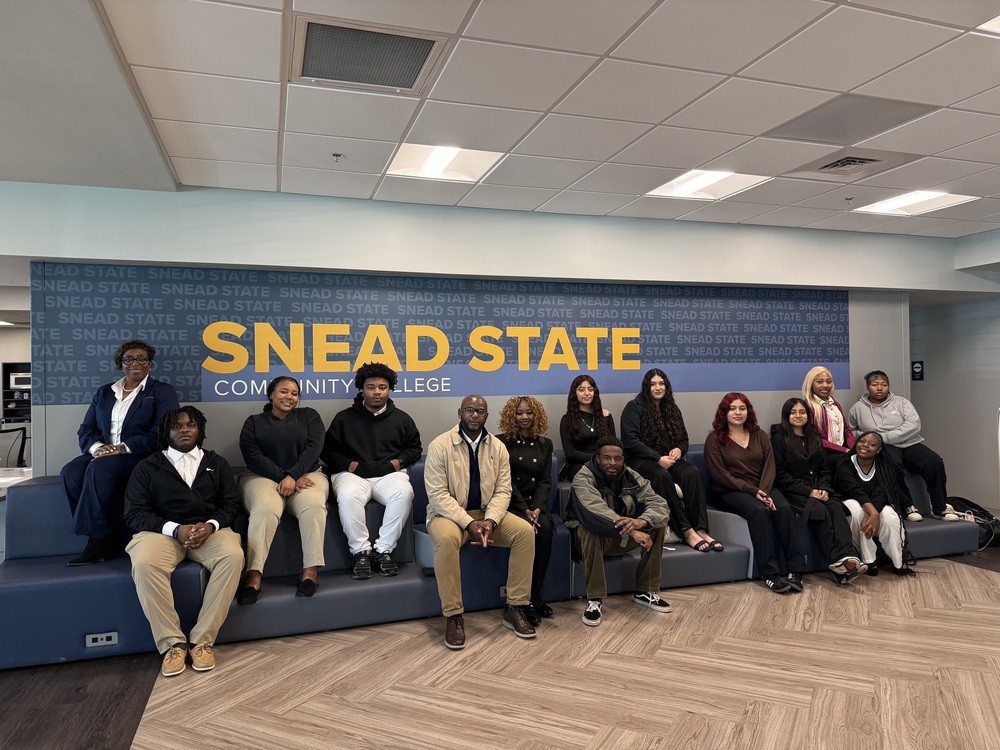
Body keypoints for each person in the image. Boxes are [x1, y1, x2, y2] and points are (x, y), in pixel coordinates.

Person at [123, 406, 244, 677]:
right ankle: (173, 645)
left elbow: (230, 504)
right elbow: (134, 513)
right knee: (144, 563)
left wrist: (211, 525)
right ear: (167, 431)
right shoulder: (147, 466)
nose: (184, 429)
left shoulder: (217, 462)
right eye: (177, 426)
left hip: (209, 532)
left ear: (199, 429)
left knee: (233, 556)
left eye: (190, 425)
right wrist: (174, 529)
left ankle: (201, 641)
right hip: (161, 534)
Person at [423, 394, 536, 650]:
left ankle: (515, 607)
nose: (475, 415)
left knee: (525, 532)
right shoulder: (440, 445)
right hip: (448, 515)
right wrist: (467, 523)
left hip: (487, 514)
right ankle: (453, 616)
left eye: (481, 411)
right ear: (460, 412)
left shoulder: (497, 447)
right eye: (470, 410)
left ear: (486, 416)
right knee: (446, 539)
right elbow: (437, 495)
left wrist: (491, 521)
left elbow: (503, 491)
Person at [60, 340, 179, 566]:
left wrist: (120, 448)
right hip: (104, 455)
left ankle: (97, 540)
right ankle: (108, 534)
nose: (135, 363)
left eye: (141, 358)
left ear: (150, 364)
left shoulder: (162, 391)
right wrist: (98, 449)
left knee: (99, 468)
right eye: (128, 359)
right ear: (120, 364)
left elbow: (162, 432)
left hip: (139, 455)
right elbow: (86, 429)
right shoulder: (105, 392)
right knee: (71, 472)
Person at [323, 362, 422, 579]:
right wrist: (352, 466)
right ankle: (361, 553)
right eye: (371, 387)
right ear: (362, 388)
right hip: (351, 476)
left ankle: (383, 551)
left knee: (404, 493)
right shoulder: (344, 418)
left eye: (382, 387)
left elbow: (414, 449)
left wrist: (394, 464)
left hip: (389, 475)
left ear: (389, 389)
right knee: (348, 496)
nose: (376, 392)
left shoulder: (402, 419)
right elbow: (327, 452)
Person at [237, 376, 329, 604]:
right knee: (266, 508)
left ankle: (310, 573)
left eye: (295, 393)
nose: (290, 397)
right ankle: (254, 576)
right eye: (284, 391)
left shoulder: (309, 416)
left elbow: (314, 448)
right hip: (262, 476)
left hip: (307, 474)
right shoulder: (254, 422)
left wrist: (294, 476)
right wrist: (284, 477)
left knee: (314, 505)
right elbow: (252, 455)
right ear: (271, 394)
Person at [705, 392, 807, 594]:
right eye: (732, 408)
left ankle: (795, 570)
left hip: (763, 487)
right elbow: (720, 474)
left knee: (785, 509)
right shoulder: (714, 439)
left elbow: (770, 467)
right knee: (759, 512)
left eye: (742, 408)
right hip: (730, 490)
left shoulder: (760, 435)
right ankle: (770, 574)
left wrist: (765, 491)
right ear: (723, 413)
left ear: (748, 412)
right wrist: (753, 492)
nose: (738, 412)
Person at [570, 436, 672, 627]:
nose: (612, 463)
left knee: (657, 524)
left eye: (617, 459)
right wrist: (633, 531)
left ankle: (645, 590)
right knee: (588, 529)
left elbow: (659, 504)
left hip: (618, 537)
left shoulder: (631, 475)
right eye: (607, 458)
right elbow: (596, 512)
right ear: (598, 458)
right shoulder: (583, 477)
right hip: (588, 540)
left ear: (623, 460)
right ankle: (595, 599)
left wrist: (642, 521)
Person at [620, 368, 719, 552]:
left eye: (661, 383)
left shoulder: (672, 408)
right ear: (646, 387)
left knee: (692, 472)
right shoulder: (634, 407)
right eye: (653, 384)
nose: (658, 387)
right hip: (641, 461)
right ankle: (686, 531)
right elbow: (630, 441)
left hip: (668, 459)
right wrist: (657, 458)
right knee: (661, 476)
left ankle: (701, 529)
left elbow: (684, 440)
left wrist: (678, 450)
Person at [771, 398, 866, 584]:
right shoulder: (778, 440)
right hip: (794, 491)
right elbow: (780, 476)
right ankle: (836, 564)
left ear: (808, 416)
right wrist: (809, 491)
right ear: (786, 416)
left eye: (802, 412)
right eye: (793, 412)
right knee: (819, 512)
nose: (798, 416)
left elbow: (824, 470)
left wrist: (823, 488)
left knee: (836, 507)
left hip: (818, 488)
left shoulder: (814, 437)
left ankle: (847, 556)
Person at [848, 370, 959, 522]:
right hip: (885, 448)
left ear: (889, 386)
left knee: (934, 461)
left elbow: (913, 424)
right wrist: (872, 441)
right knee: (891, 464)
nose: (879, 388)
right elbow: (852, 430)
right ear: (868, 387)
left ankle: (940, 507)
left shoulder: (901, 402)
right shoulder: (857, 408)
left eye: (884, 385)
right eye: (875, 385)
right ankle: (908, 507)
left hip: (909, 443)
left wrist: (883, 437)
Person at [497, 395, 555, 626]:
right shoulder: (500, 442)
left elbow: (545, 480)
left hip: (536, 506)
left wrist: (538, 507)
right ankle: (521, 602)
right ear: (512, 416)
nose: (524, 417)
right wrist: (524, 509)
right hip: (511, 504)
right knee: (527, 532)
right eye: (519, 413)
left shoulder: (545, 443)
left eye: (529, 413)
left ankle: (535, 597)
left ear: (536, 415)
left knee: (547, 529)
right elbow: (504, 481)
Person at [834, 431, 913, 576]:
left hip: (877, 503)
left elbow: (882, 493)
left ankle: (898, 562)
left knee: (890, 516)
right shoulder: (844, 463)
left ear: (879, 449)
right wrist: (873, 513)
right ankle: (869, 561)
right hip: (851, 500)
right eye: (862, 441)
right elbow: (854, 490)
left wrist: (873, 512)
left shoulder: (885, 466)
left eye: (872, 444)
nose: (865, 446)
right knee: (857, 511)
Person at [558, 374, 616, 480]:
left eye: (590, 389)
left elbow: (614, 446)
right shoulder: (567, 419)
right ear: (574, 393)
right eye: (581, 390)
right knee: (596, 475)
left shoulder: (605, 416)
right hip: (578, 465)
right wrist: (598, 459)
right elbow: (570, 453)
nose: (587, 393)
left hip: (605, 463)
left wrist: (605, 460)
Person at [802, 366, 855, 463]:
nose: (825, 385)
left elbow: (846, 430)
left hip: (842, 453)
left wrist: (854, 449)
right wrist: (844, 450)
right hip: (823, 455)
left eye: (829, 381)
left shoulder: (835, 403)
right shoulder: (807, 406)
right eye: (820, 382)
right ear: (811, 384)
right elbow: (814, 438)